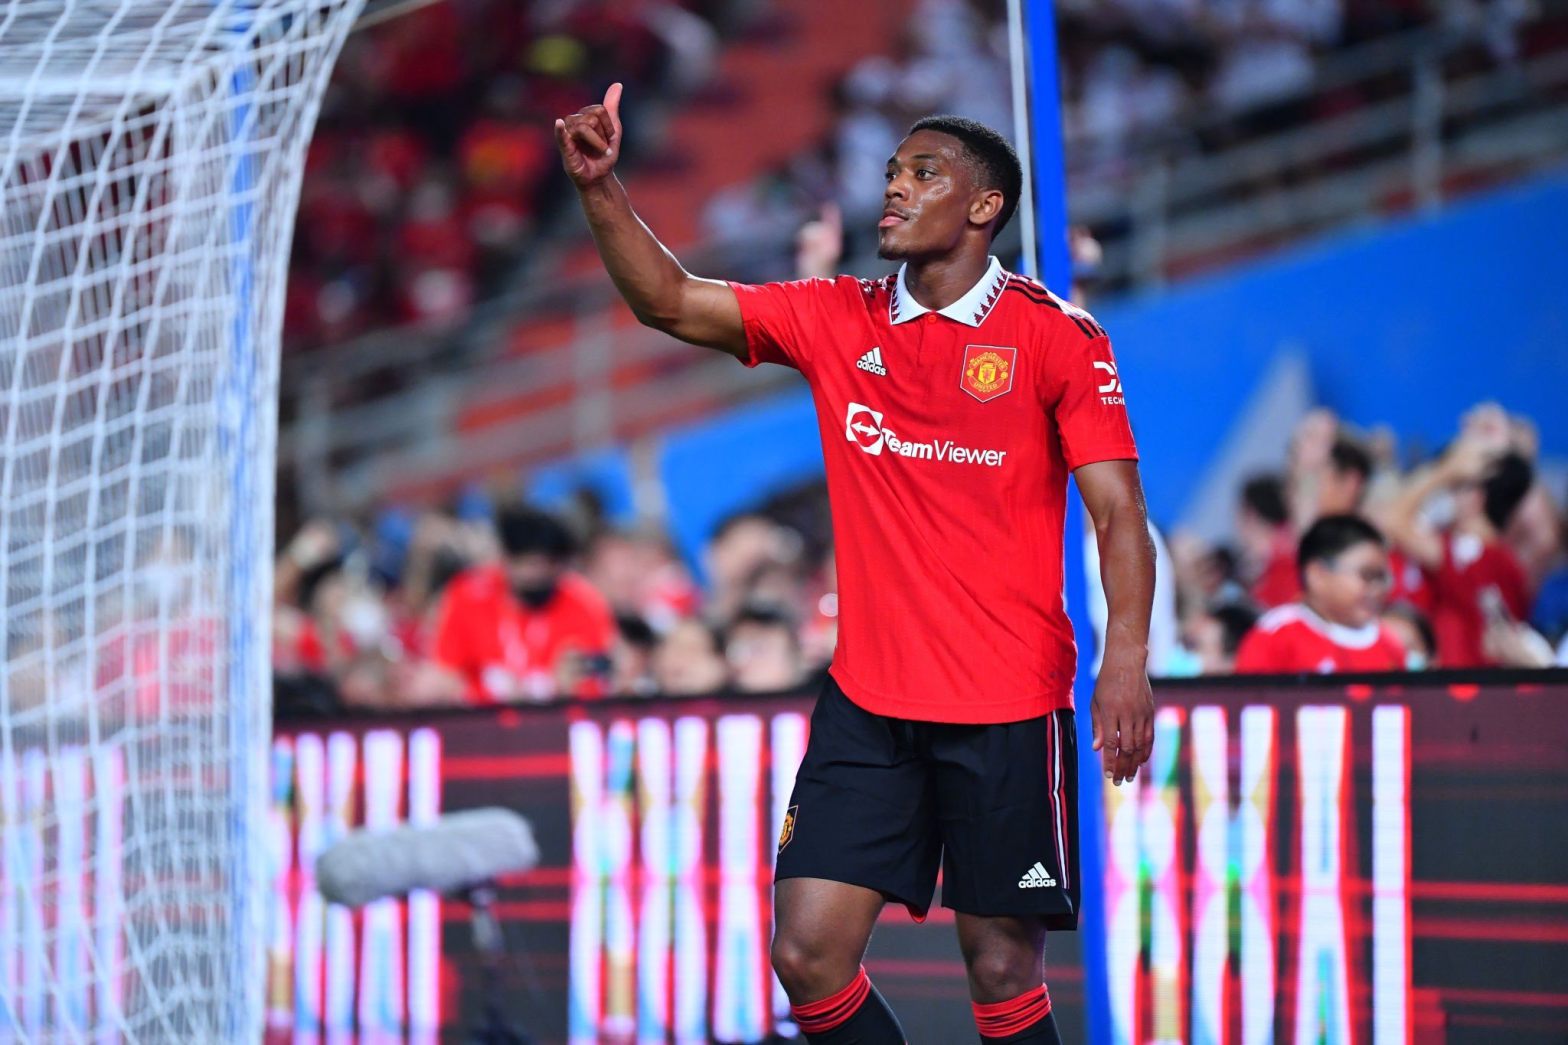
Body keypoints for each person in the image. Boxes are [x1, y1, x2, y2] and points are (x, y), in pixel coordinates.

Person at [558, 85, 1156, 1043]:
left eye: (924, 173)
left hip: (1007, 703)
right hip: (869, 703)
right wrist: (600, 189)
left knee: (1001, 967)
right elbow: (667, 299)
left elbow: (1119, 512)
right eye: (891, 173)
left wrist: (1124, 656)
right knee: (806, 954)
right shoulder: (836, 316)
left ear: (984, 206)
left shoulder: (1058, 337)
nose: (894, 188)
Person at [413, 506, 615, 703]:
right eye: (531, 564)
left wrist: (563, 689)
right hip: (481, 718)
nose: (539, 575)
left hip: (557, 716)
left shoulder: (584, 604)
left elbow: (597, 688)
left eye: (549, 565)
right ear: (507, 560)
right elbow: (445, 671)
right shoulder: (469, 596)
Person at [1234, 515, 1407, 674]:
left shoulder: (1390, 645)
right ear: (1317, 575)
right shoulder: (1275, 637)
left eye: (1382, 577)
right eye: (1367, 575)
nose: (1377, 588)